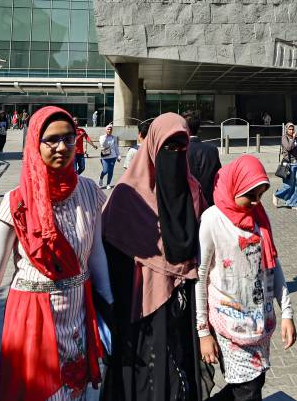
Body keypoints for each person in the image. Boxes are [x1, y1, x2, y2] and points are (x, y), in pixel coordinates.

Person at [0, 106, 111, 399]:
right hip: (33, 321)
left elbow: (96, 254)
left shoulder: (88, 192)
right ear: (34, 144)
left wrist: (110, 312)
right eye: (51, 140)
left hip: (78, 317)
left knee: (78, 391)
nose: (62, 147)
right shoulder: (16, 202)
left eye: (68, 138)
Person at [100, 113, 208, 400]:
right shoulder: (126, 195)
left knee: (178, 375)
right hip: (139, 305)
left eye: (180, 148)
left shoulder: (193, 190)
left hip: (183, 305)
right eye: (167, 148)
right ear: (153, 147)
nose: (174, 154)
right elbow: (107, 256)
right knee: (146, 377)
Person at [196, 155, 296, 401]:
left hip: (259, 321)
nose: (256, 202)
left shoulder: (259, 218)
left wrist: (287, 313)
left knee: (255, 380)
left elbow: (272, 264)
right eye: (250, 196)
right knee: (247, 389)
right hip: (228, 323)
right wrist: (203, 333)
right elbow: (201, 275)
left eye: (260, 195)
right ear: (235, 187)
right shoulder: (212, 219)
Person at [184, 111, 222, 207]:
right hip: (209, 201)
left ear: (184, 128)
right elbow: (218, 176)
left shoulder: (179, 150)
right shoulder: (212, 150)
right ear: (198, 128)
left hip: (187, 202)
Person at [273, 123, 297, 212]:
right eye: (289, 129)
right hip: (288, 165)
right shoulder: (284, 138)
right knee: (288, 185)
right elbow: (289, 148)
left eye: (292, 129)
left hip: (296, 164)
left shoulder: (293, 138)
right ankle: (277, 195)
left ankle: (295, 204)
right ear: (286, 130)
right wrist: (293, 138)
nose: (291, 131)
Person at [98, 124, 120, 189]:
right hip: (105, 156)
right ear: (106, 130)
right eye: (108, 129)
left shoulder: (114, 138)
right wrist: (106, 137)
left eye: (110, 129)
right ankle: (101, 177)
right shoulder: (102, 137)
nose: (109, 130)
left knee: (111, 171)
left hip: (113, 157)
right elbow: (102, 144)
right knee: (105, 170)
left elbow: (116, 147)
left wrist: (118, 155)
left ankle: (108, 184)